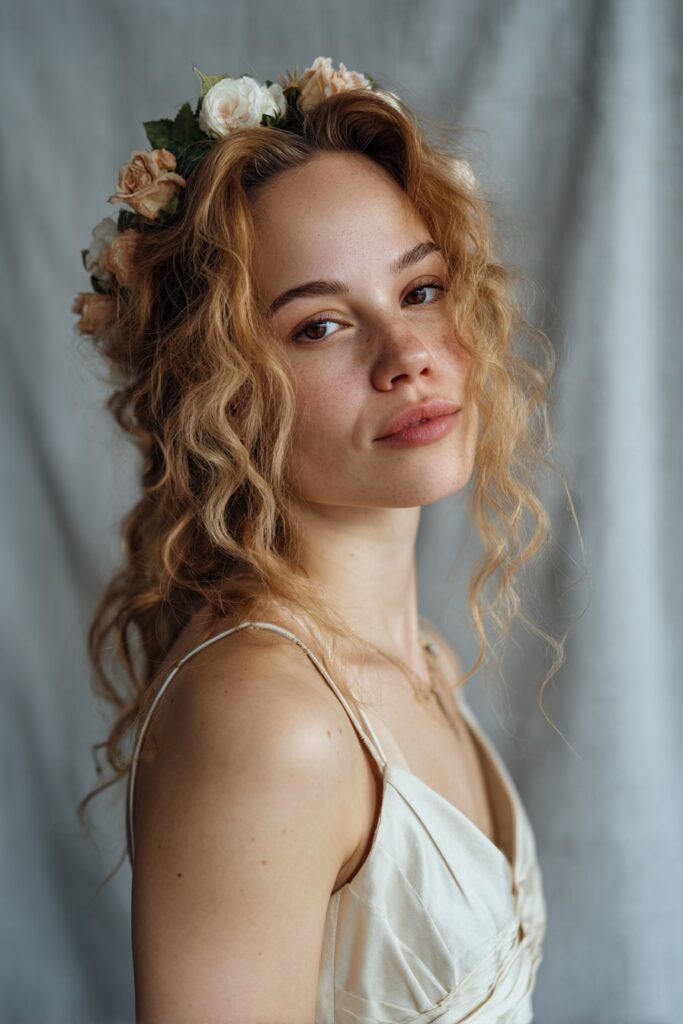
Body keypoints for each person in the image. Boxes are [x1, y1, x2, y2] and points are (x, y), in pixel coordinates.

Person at [74, 57, 574, 1023]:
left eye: (419, 290)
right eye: (321, 325)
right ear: (222, 393)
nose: (407, 356)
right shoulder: (271, 723)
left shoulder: (423, 660)